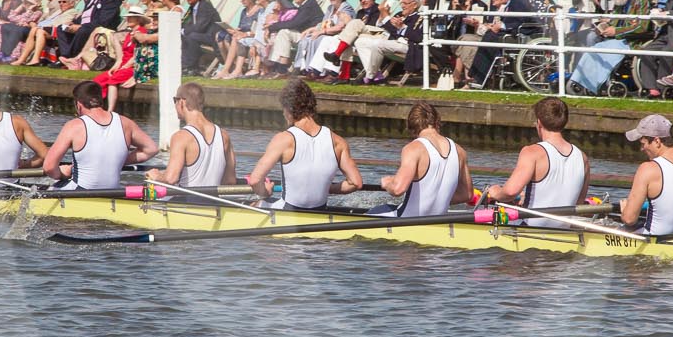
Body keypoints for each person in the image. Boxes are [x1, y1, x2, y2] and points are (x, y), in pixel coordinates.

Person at [246, 79, 363, 209]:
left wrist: (265, 192)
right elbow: (355, 183)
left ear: (288, 109)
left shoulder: (283, 139)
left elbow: (255, 180)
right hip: (319, 214)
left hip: (288, 213)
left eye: (283, 110)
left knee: (253, 205)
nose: (283, 114)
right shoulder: (338, 142)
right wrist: (328, 188)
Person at [480, 96, 591, 223]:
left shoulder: (533, 152)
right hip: (563, 232)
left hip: (531, 231)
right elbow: (578, 201)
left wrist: (496, 193)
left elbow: (510, 192)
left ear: (539, 123)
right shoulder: (583, 158)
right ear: (564, 122)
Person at [38, 79, 161, 189]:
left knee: (46, 189)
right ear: (101, 100)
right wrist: (119, 160)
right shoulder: (125, 123)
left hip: (81, 192)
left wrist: (61, 174)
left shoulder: (74, 126)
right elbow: (151, 149)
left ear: (79, 105)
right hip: (113, 191)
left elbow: (49, 167)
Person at [378, 100, 471, 217]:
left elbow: (398, 189)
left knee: (372, 211)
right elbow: (466, 194)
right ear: (437, 122)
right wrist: (439, 198)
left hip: (406, 221)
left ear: (411, 128)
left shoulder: (413, 148)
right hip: (437, 222)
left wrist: (387, 183)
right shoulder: (460, 151)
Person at [157, 81, 234, 187]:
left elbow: (171, 179)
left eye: (175, 100)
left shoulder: (181, 137)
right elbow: (230, 180)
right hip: (214, 202)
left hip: (185, 201)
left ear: (182, 102)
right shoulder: (224, 135)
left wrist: (156, 176)